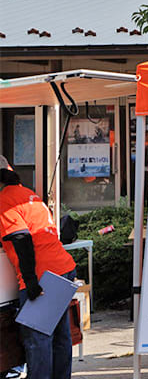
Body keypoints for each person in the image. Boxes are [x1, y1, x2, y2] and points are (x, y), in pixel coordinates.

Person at [0, 154, 76, 379]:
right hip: (63, 268)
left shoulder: (5, 200)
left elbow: (22, 239)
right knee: (60, 336)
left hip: (43, 276)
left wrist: (31, 281)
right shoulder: (28, 194)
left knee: (37, 338)